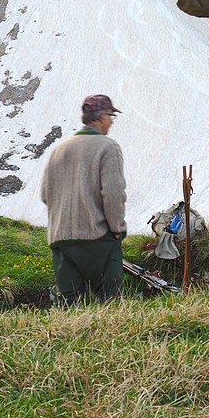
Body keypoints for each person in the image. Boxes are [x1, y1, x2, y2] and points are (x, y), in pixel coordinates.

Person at [40, 94, 128, 306]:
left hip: (61, 241)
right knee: (110, 305)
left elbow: (45, 194)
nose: (111, 121)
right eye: (110, 115)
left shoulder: (59, 150)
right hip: (96, 239)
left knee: (71, 306)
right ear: (99, 117)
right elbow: (114, 194)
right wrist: (117, 229)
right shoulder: (107, 147)